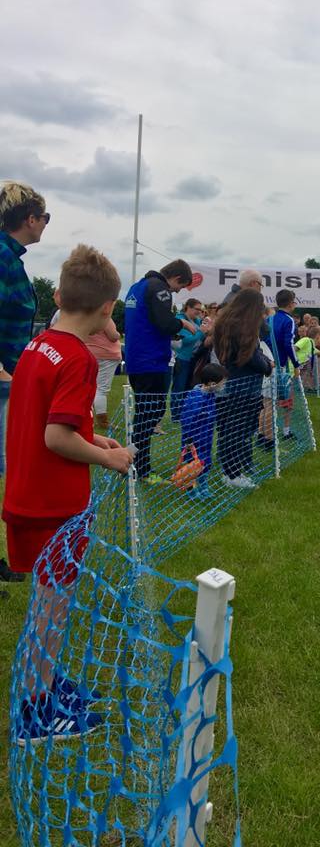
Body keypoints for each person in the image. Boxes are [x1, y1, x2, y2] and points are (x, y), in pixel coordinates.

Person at [2, 244, 133, 745]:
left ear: (57, 295)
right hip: (55, 507)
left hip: (28, 498)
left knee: (45, 605)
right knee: (52, 611)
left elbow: (54, 421)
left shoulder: (39, 346)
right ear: (107, 311)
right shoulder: (77, 359)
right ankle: (35, 716)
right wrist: (109, 458)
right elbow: (54, 438)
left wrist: (94, 437)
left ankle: (44, 685)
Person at [124, 260, 196, 484]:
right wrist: (182, 325)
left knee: (145, 416)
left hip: (136, 360)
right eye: (180, 286)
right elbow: (164, 323)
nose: (177, 291)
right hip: (151, 361)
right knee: (150, 416)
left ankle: (131, 459)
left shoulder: (137, 287)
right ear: (175, 278)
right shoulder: (160, 288)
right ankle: (140, 468)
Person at [0, 182, 51, 481]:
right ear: (31, 219)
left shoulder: (10, 257)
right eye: (45, 217)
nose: (45, 223)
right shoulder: (3, 258)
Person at [213, 288, 273, 488]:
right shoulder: (244, 328)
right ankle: (233, 474)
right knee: (239, 432)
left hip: (230, 383)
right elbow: (251, 355)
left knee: (230, 430)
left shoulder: (226, 323)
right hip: (245, 387)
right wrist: (267, 366)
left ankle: (229, 471)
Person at [180, 363, 228, 499]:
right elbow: (187, 419)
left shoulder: (211, 395)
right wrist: (188, 440)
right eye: (222, 384)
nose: (223, 386)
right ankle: (191, 489)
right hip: (193, 441)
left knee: (205, 462)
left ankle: (203, 486)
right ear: (212, 383)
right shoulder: (196, 398)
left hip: (206, 437)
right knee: (192, 464)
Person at [270, 289, 300, 440]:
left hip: (268, 365)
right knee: (287, 400)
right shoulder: (289, 320)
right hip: (281, 366)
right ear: (290, 303)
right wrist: (296, 364)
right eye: (294, 301)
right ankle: (286, 432)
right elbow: (288, 344)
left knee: (269, 402)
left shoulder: (270, 319)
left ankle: (265, 433)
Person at [170, 298, 206, 421]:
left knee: (187, 387)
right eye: (197, 309)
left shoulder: (196, 320)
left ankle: (184, 413)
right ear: (188, 307)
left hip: (193, 358)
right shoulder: (180, 320)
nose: (199, 312)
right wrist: (201, 332)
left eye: (200, 310)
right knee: (179, 387)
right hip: (182, 358)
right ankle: (176, 415)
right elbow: (185, 341)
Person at [86, 316, 122, 430]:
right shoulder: (103, 314)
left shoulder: (82, 313)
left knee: (89, 388)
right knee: (101, 390)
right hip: (106, 355)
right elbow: (112, 336)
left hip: (89, 353)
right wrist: (118, 334)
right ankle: (103, 422)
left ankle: (87, 419)